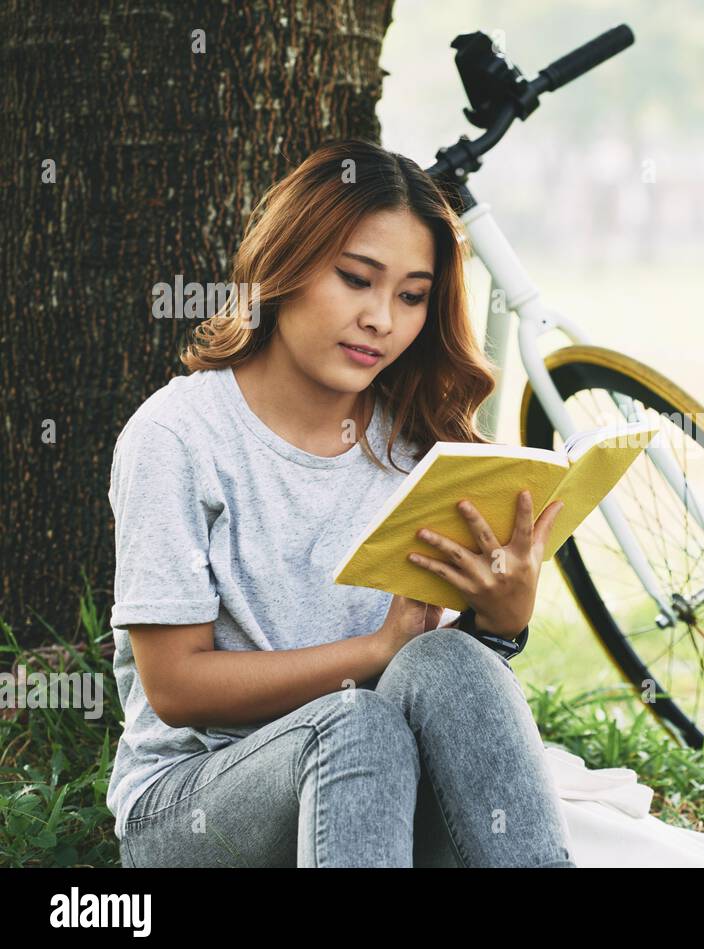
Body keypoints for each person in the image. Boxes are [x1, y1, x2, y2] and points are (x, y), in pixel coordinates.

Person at [108, 138, 574, 867]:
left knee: (447, 662)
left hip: (381, 792)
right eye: (357, 279)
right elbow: (175, 686)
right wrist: (373, 653)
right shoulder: (177, 437)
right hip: (196, 805)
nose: (382, 319)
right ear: (283, 265)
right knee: (357, 722)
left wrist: (502, 620)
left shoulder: (418, 441)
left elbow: (440, 693)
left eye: (412, 296)